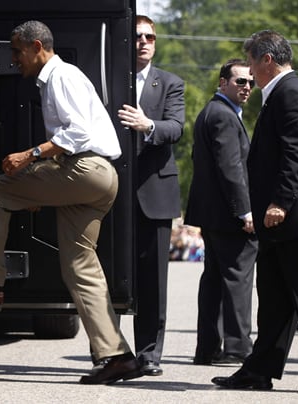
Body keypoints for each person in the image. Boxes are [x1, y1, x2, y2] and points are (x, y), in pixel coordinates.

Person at [0, 20, 143, 385]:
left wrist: (30, 156)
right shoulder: (58, 78)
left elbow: (78, 132)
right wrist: (40, 189)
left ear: (36, 46)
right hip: (100, 178)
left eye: (17, 51)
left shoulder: (61, 76)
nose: (13, 59)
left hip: (86, 170)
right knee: (80, 267)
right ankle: (116, 355)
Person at [211, 29, 298, 394]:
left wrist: (280, 202)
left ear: (266, 61)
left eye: (252, 65)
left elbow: (297, 154)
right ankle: (258, 370)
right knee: (275, 299)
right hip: (284, 222)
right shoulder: (285, 94)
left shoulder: (290, 94)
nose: (250, 75)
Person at [117, 14, 185, 377]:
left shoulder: (170, 83)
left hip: (155, 192)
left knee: (153, 279)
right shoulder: (110, 78)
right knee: (110, 275)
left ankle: (149, 354)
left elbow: (176, 127)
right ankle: (112, 352)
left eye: (150, 37)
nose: (144, 42)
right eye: (138, 36)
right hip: (113, 191)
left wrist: (149, 126)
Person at [185, 59, 257, 366]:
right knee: (237, 279)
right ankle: (238, 348)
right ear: (222, 82)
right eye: (240, 81)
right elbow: (231, 169)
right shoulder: (223, 116)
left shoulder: (212, 112)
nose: (247, 88)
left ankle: (208, 348)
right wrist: (245, 212)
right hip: (229, 217)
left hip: (213, 215)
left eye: (251, 83)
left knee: (214, 280)